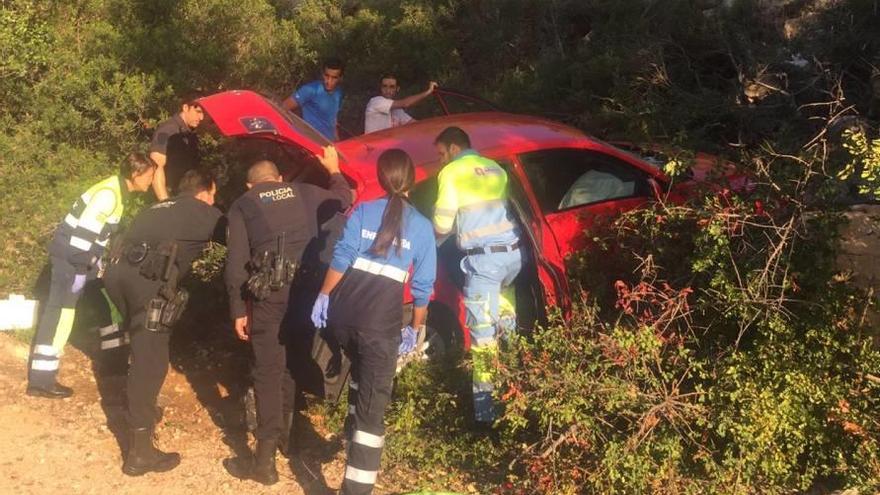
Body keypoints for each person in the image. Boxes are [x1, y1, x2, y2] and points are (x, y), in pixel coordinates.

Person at [311, 149, 437, 495]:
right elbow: (423, 288)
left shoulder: (364, 211)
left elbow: (341, 257)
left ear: (381, 179)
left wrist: (324, 296)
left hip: (343, 318)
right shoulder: (423, 228)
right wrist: (415, 328)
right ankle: (356, 489)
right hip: (379, 327)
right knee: (372, 412)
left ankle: (348, 444)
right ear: (412, 181)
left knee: (360, 379)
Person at [224, 148, 352, 485]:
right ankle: (288, 439)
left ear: (250, 185)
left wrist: (238, 310)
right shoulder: (305, 192)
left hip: (268, 298)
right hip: (305, 296)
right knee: (293, 363)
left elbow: (235, 264)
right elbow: (343, 198)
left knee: (268, 371)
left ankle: (264, 462)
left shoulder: (243, 204)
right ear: (279, 179)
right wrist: (334, 169)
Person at [102, 168, 222, 476]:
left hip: (118, 277)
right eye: (213, 195)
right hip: (147, 282)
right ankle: (140, 451)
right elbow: (239, 235)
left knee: (141, 348)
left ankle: (141, 408)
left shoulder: (156, 206)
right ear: (204, 193)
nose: (213, 201)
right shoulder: (201, 211)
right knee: (151, 360)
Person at [27, 153, 156, 399]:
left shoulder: (118, 193)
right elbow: (80, 240)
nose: (151, 182)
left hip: (81, 261)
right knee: (60, 316)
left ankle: (113, 363)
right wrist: (82, 269)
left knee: (105, 304)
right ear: (136, 174)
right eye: (149, 176)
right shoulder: (108, 195)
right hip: (72, 261)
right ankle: (41, 380)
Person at [432, 126, 522, 425]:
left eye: (442, 154)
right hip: (512, 258)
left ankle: (487, 418)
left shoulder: (453, 172)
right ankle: (524, 391)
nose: (441, 161)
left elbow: (443, 222)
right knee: (507, 325)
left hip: (484, 265)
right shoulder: (495, 168)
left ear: (454, 149)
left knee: (483, 341)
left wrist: (427, 242)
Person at [149, 97, 205, 201]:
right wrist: (165, 202)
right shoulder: (166, 130)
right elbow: (156, 166)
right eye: (198, 112)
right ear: (185, 107)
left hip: (186, 196)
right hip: (171, 196)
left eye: (203, 113)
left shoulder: (191, 134)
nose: (201, 117)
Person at [282, 57, 344, 141]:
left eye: (334, 77)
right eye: (327, 76)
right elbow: (283, 108)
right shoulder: (310, 89)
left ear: (340, 78)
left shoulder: (338, 93)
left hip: (329, 145)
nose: (329, 81)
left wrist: (337, 140)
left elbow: (333, 118)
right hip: (310, 144)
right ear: (322, 74)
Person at [364, 76, 438, 133]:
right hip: (371, 149)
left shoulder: (397, 110)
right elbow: (406, 104)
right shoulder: (376, 101)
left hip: (386, 149)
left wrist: (437, 128)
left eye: (392, 87)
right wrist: (428, 92)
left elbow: (416, 124)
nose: (388, 90)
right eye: (384, 86)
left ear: (397, 89)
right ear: (380, 88)